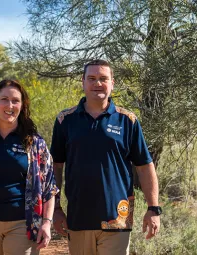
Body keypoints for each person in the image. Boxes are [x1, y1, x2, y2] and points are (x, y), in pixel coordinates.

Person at [50, 60, 161, 255]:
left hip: (117, 220)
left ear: (112, 83)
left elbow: (144, 166)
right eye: (92, 78)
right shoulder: (65, 120)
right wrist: (56, 209)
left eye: (103, 79)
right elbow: (55, 167)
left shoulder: (128, 120)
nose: (97, 83)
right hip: (78, 219)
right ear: (83, 81)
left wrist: (154, 209)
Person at [0, 80, 59, 255]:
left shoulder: (35, 143)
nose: (10, 105)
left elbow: (49, 188)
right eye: (4, 99)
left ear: (22, 106)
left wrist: (46, 222)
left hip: (23, 225)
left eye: (15, 100)